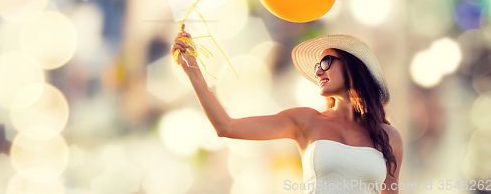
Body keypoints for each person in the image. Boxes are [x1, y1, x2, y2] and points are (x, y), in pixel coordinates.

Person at [171, 28, 403, 194]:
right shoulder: (306, 120)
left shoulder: (389, 138)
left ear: (352, 65)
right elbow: (226, 127)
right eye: (316, 67)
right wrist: (192, 70)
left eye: (326, 62)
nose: (318, 72)